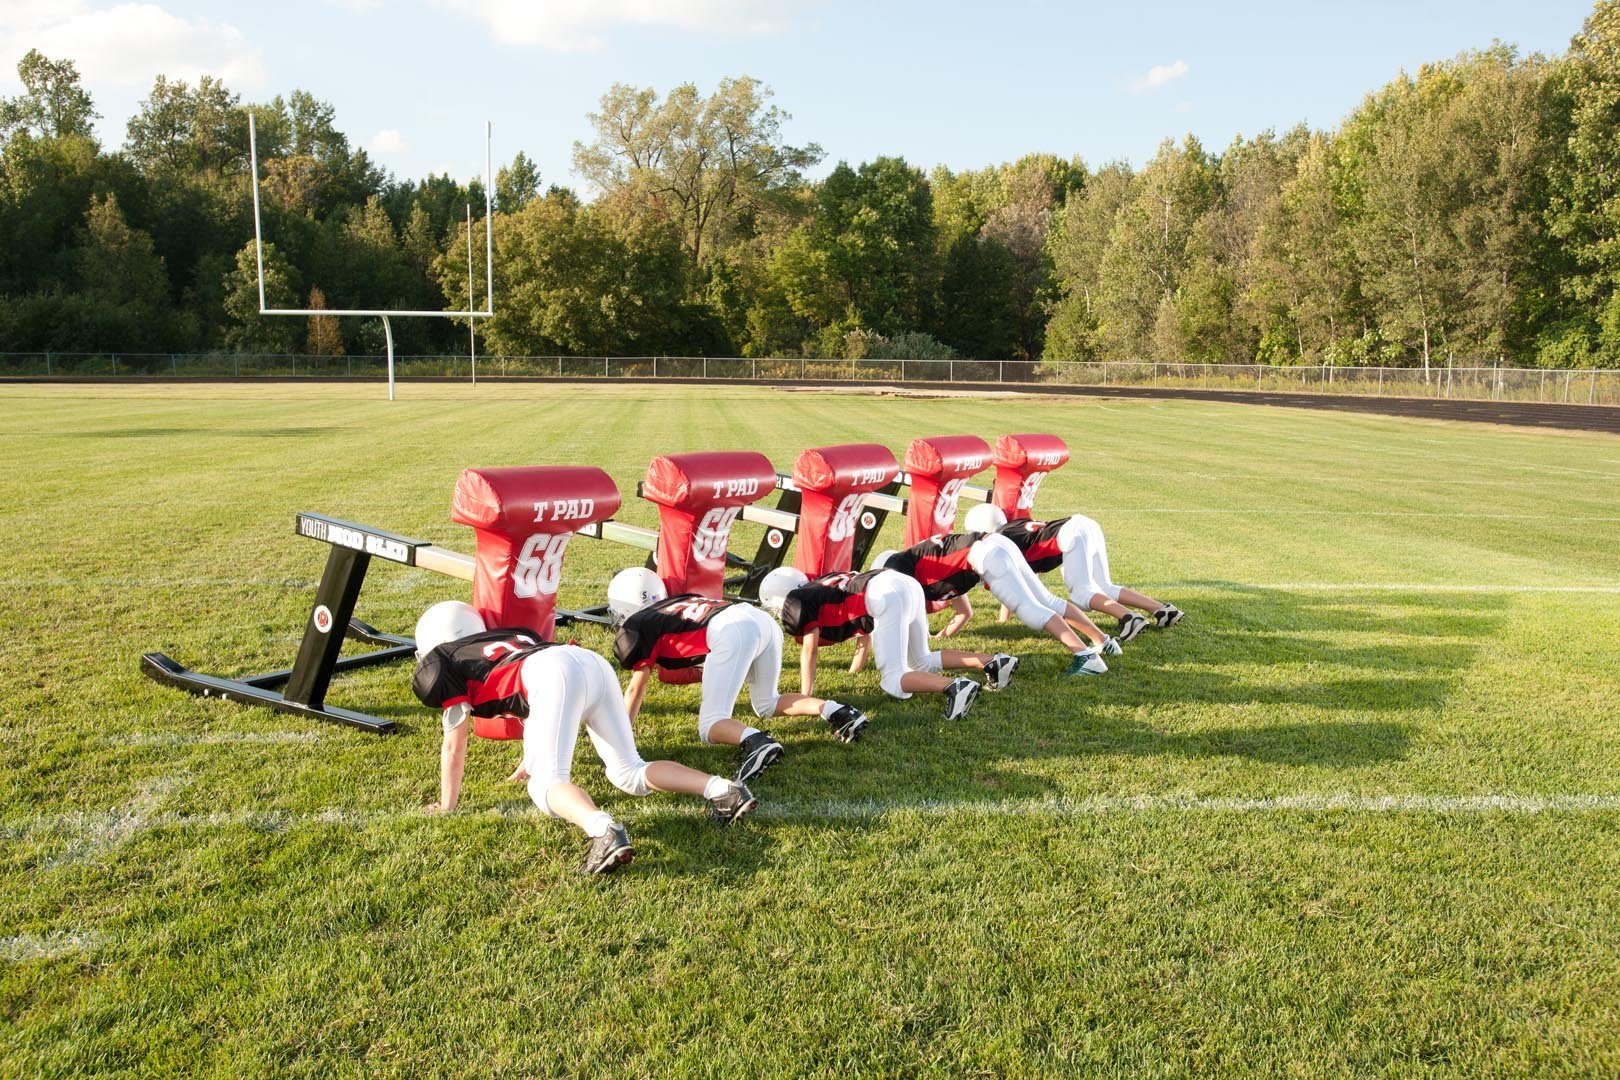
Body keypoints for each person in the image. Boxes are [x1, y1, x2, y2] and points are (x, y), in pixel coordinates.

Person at [410, 600, 757, 876]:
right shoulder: (504, 638)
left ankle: (602, 830)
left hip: (553, 674)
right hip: (586, 662)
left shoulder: (446, 663)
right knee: (628, 771)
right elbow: (528, 699)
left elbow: (455, 743)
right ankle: (722, 790)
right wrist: (529, 760)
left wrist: (447, 805)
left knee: (546, 787)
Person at [608, 568, 870, 783]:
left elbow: (635, 689)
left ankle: (757, 742)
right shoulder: (673, 603)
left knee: (710, 724)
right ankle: (838, 712)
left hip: (731, 630)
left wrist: (619, 739)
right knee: (767, 702)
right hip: (757, 620)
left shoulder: (639, 624)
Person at [758, 566, 1019, 721]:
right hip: (901, 582)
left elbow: (809, 651)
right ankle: (992, 661)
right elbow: (865, 637)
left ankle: (954, 686)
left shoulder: (800, 601)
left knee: (893, 678)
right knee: (921, 660)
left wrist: (806, 696)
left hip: (884, 593)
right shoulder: (823, 586)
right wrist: (854, 672)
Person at [872, 528, 1120, 677]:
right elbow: (962, 609)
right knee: (1047, 600)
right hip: (994, 544)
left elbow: (906, 618)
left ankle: (1085, 657)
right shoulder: (922, 563)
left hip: (985, 554)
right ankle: (1103, 641)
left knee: (1032, 611)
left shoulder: (901, 570)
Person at [962, 503, 1184, 643]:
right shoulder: (1015, 526)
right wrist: (1004, 619)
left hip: (1070, 535)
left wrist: (1005, 617)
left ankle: (1130, 618)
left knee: (1082, 594)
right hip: (1083, 524)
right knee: (1103, 586)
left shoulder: (1001, 542)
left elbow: (1014, 584)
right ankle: (1162, 610)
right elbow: (1026, 581)